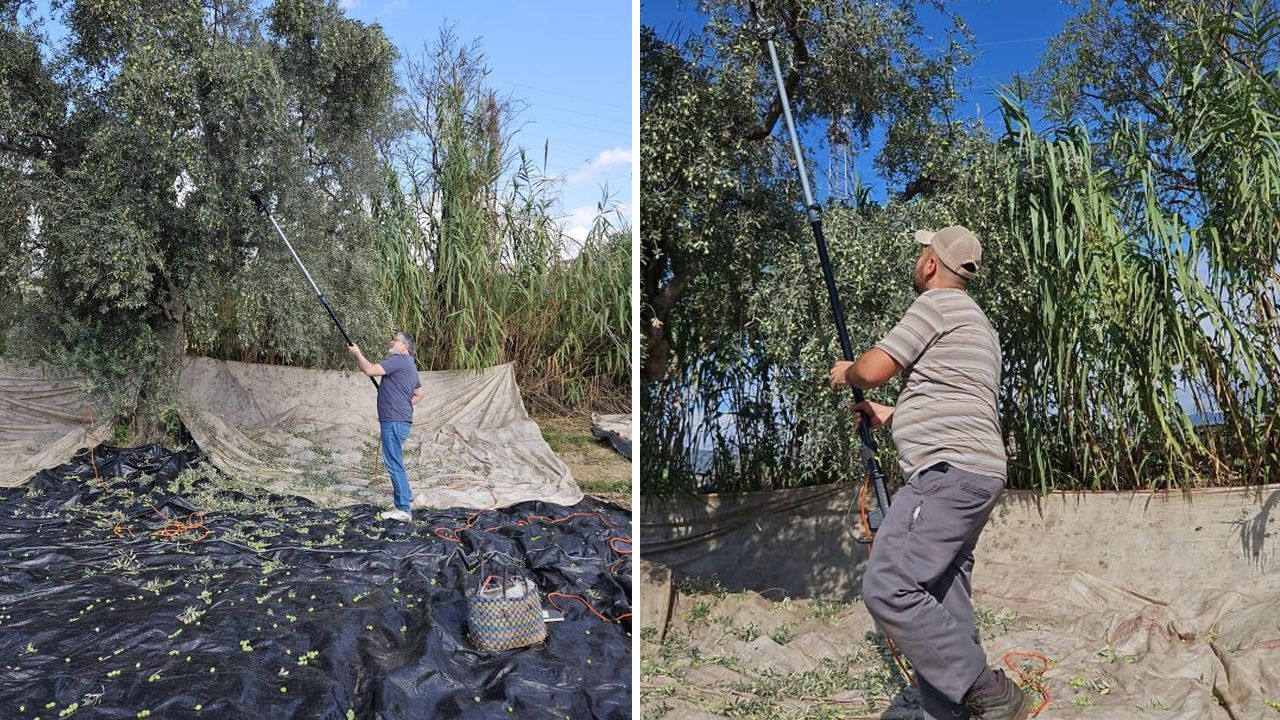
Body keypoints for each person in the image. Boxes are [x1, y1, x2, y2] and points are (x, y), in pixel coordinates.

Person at [829, 225, 1028, 720]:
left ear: (932, 264)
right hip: (977, 473)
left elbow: (875, 368)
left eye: (922, 252)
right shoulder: (979, 325)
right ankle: (957, 710)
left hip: (944, 473)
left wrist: (848, 371)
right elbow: (956, 399)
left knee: (888, 585)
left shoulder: (934, 306)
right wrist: (891, 413)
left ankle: (990, 692)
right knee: (941, 592)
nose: (918, 260)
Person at [348, 331, 425, 523]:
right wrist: (400, 403)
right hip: (400, 420)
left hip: (394, 421)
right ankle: (406, 498)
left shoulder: (398, 359)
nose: (391, 342)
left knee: (393, 462)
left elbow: (370, 370)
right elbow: (419, 394)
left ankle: (403, 509)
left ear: (404, 346)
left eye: (395, 340)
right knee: (396, 460)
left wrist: (358, 354)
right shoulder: (410, 364)